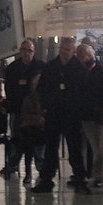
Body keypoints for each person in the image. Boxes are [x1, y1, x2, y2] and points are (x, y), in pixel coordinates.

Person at [32, 37, 90, 194]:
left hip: (72, 116)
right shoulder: (50, 67)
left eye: (68, 50)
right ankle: (46, 180)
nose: (64, 52)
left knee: (75, 148)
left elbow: (86, 92)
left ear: (73, 51)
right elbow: (41, 89)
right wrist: (43, 108)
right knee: (51, 148)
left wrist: (80, 110)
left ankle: (79, 179)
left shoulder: (80, 69)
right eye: (62, 49)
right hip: (53, 114)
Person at [0, 39, 44, 177]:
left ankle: (40, 164)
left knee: (40, 138)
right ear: (20, 51)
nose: (26, 53)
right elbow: (8, 89)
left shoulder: (41, 67)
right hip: (17, 109)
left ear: (34, 52)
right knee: (16, 137)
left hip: (37, 111)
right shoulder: (12, 68)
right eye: (24, 50)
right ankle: (13, 165)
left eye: (29, 51)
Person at [77, 42, 103, 187]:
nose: (78, 58)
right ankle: (82, 174)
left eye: (81, 55)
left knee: (98, 148)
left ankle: (99, 176)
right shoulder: (79, 72)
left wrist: (100, 108)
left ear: (89, 56)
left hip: (94, 116)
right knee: (81, 148)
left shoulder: (100, 72)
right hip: (81, 115)